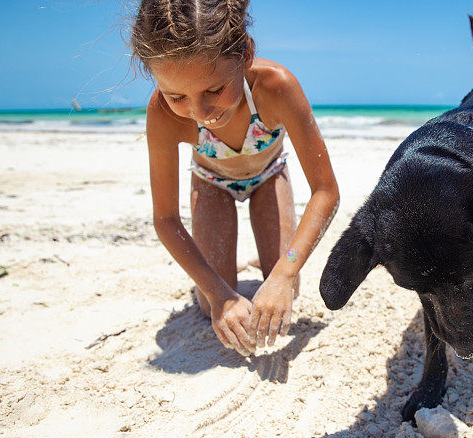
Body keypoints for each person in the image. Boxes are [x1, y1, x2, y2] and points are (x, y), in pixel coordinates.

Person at [130, 0, 339, 355]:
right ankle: (238, 266)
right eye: (177, 96)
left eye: (213, 90)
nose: (201, 112)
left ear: (245, 54)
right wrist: (218, 294)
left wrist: (284, 275)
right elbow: (165, 219)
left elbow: (325, 191)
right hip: (211, 183)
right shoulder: (162, 113)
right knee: (209, 304)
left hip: (269, 176)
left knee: (288, 289)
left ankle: (264, 260)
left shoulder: (276, 87)